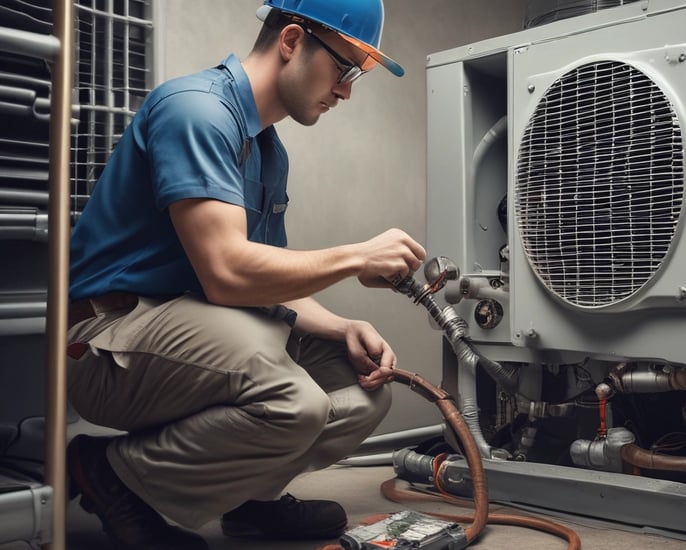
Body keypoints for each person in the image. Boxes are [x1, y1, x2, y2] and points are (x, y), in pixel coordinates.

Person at [64, 0, 426, 548]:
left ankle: (252, 502)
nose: (347, 90)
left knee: (365, 390)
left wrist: (339, 325)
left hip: (187, 328)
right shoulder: (196, 111)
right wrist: (356, 257)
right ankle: (114, 476)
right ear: (291, 41)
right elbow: (228, 276)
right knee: (293, 397)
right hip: (104, 342)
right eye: (345, 68)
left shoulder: (267, 151)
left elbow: (262, 282)